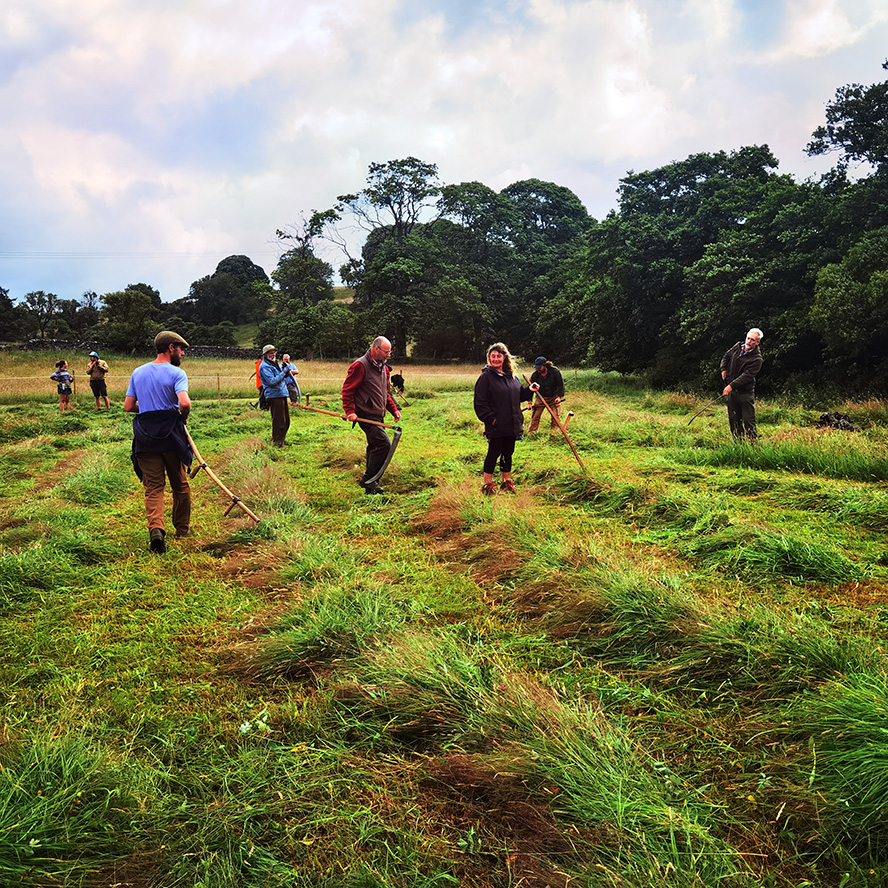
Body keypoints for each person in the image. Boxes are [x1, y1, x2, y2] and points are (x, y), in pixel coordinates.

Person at [124, 331, 192, 554]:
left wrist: (147, 408)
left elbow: (128, 406)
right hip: (171, 433)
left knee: (153, 488)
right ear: (171, 348)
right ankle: (182, 528)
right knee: (180, 485)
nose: (182, 354)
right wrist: (181, 418)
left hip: (145, 435)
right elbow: (184, 403)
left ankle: (156, 529)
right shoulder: (177, 373)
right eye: (181, 349)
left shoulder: (137, 372)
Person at [473, 342, 538, 495]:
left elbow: (519, 396)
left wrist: (530, 390)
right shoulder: (486, 377)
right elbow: (480, 402)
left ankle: (506, 482)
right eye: (493, 356)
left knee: (508, 452)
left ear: (504, 357)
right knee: (493, 452)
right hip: (496, 424)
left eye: (498, 356)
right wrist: (491, 419)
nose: (495, 359)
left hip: (512, 422)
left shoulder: (511, 377)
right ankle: (487, 485)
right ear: (489, 358)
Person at [342, 336, 401, 495]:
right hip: (365, 414)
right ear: (376, 349)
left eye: (390, 352)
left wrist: (393, 409)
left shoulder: (384, 368)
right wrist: (350, 411)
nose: (388, 355)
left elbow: (385, 393)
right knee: (383, 444)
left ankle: (371, 483)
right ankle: (369, 479)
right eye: (386, 352)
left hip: (378, 413)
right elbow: (347, 390)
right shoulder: (360, 366)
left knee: (375, 445)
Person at [720, 328, 763, 441]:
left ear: (757, 342)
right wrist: (723, 369)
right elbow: (726, 356)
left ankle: (753, 444)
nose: (748, 341)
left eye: (752, 340)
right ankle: (738, 444)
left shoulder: (757, 359)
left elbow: (746, 376)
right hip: (732, 392)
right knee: (733, 419)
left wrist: (730, 386)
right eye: (748, 338)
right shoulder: (738, 347)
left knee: (748, 420)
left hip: (745, 393)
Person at [258, 345, 298, 446]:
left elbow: (280, 376)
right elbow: (272, 381)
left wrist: (284, 370)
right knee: (279, 422)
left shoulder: (274, 364)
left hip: (282, 393)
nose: (273, 354)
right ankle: (277, 443)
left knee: (286, 421)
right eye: (271, 353)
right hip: (274, 395)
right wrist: (283, 372)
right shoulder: (264, 367)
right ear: (265, 355)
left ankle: (282, 440)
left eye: (274, 352)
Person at [528, 356, 565, 434]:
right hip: (541, 397)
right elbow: (530, 388)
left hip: (553, 397)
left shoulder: (555, 372)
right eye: (536, 367)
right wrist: (530, 402)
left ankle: (554, 433)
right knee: (535, 416)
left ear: (545, 365)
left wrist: (559, 397)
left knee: (555, 416)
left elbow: (560, 385)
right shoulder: (535, 375)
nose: (537, 369)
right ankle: (532, 433)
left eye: (539, 367)